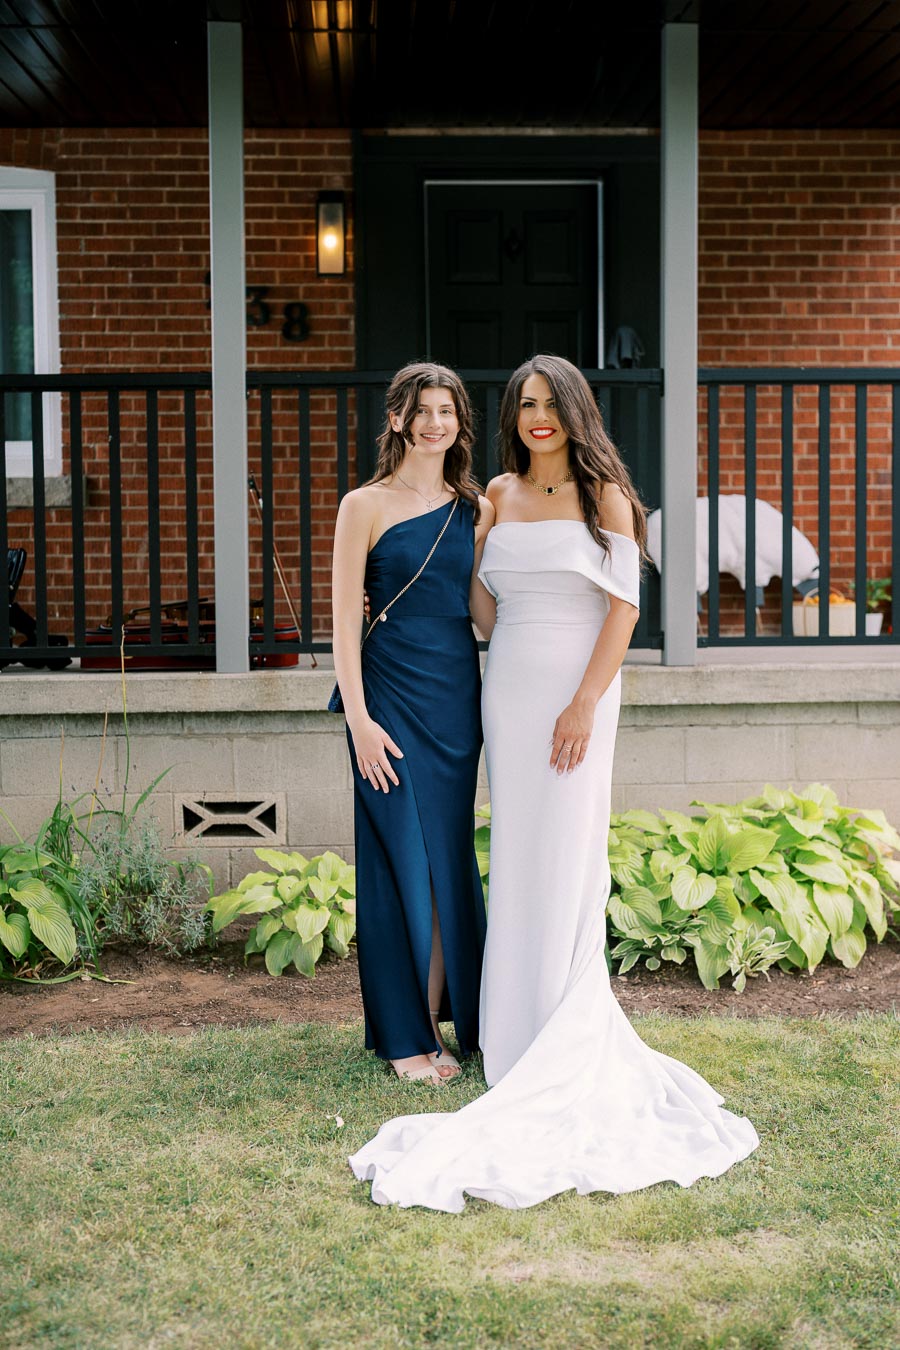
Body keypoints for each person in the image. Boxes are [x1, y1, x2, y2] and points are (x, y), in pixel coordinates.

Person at [349, 354, 759, 1208]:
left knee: (569, 856)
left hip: (580, 694)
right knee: (522, 855)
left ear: (576, 413)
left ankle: (561, 1025)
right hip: (507, 690)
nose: (540, 418)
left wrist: (582, 702)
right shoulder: (491, 496)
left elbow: (625, 608)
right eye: (526, 405)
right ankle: (507, 1032)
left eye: (553, 405)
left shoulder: (607, 494)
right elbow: (481, 603)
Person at [332, 362, 494, 1085]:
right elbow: (341, 627)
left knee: (446, 865)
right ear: (397, 418)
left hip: (456, 697)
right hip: (387, 698)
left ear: (460, 423)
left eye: (448, 411)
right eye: (422, 410)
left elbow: (482, 613)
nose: (436, 423)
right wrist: (360, 720)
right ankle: (409, 1039)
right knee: (401, 860)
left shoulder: (475, 508)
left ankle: (437, 1028)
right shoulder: (362, 505)